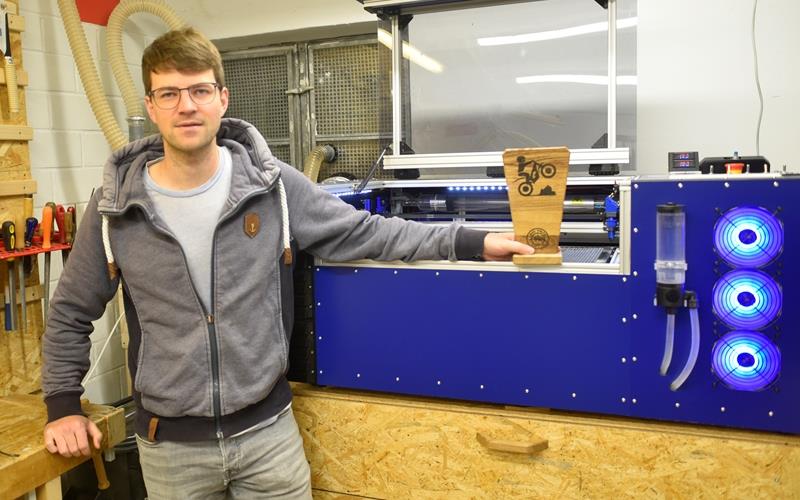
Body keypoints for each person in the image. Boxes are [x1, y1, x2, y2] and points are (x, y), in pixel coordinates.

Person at [42, 27, 534, 499]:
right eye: (169, 94)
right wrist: (62, 405)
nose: (186, 106)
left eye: (199, 90)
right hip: (171, 448)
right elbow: (70, 311)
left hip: (267, 439)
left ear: (223, 98)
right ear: (150, 106)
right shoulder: (115, 210)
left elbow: (366, 231)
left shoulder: (273, 187)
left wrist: (469, 240)